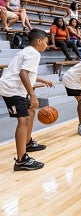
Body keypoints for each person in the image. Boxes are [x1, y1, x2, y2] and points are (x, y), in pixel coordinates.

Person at [0, 29, 53, 171]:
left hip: (14, 88)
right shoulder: (34, 53)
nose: (47, 46)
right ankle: (21, 160)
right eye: (46, 42)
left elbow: (22, 71)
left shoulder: (26, 51)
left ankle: (27, 143)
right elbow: (23, 73)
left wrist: (42, 80)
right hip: (12, 90)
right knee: (23, 120)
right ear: (39, 41)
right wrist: (33, 95)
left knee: (31, 112)